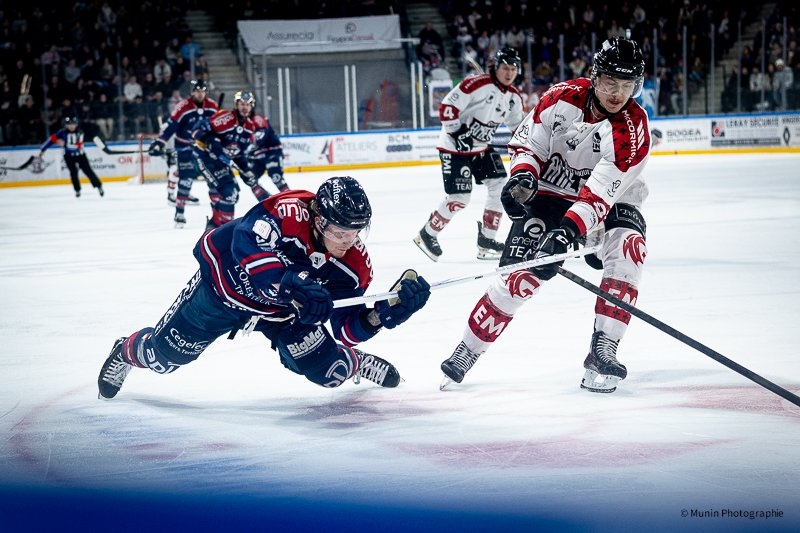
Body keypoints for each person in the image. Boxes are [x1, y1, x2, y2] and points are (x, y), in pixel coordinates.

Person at [438, 37, 651, 394]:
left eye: (627, 85)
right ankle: (466, 350)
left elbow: (599, 194)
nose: (618, 93)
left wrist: (568, 232)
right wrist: (522, 176)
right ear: (595, 77)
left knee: (629, 250)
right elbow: (529, 145)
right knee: (518, 279)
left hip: (611, 200)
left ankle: (604, 347)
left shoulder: (632, 129)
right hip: (552, 192)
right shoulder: (560, 97)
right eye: (611, 83)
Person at [97, 176, 431, 399]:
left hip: (283, 313)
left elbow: (346, 328)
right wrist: (291, 283)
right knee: (161, 359)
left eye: (357, 232)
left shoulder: (353, 266)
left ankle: (356, 364)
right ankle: (125, 350)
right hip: (224, 293)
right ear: (319, 220)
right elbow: (247, 241)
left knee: (332, 371)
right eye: (341, 232)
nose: (349, 241)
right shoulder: (289, 212)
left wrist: (383, 315)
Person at [413, 47, 526, 262]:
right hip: (453, 148)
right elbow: (447, 107)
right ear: (497, 68)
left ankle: (487, 241)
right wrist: (458, 132)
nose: (509, 73)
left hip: (480, 148)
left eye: (513, 69)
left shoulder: (513, 97)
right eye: (505, 68)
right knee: (459, 198)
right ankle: (427, 234)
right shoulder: (477, 84)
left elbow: (518, 127)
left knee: (500, 186)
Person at [148, 79, 219, 227]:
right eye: (197, 91)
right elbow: (170, 125)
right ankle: (179, 214)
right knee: (185, 181)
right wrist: (159, 142)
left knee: (213, 181)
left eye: (202, 91)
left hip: (203, 150)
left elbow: (217, 127)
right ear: (192, 92)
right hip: (185, 148)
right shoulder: (183, 107)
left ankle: (217, 215)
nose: (200, 94)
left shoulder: (212, 106)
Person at [192, 89, 258, 230]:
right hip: (205, 157)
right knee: (229, 193)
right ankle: (219, 228)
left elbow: (239, 156)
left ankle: (214, 226)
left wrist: (247, 172)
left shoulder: (250, 128)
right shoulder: (225, 118)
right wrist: (209, 140)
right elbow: (197, 130)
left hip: (221, 162)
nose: (245, 107)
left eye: (248, 104)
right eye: (241, 104)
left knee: (232, 195)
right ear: (236, 105)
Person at [38, 116, 104, 198]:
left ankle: (99, 186)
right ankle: (77, 190)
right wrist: (43, 150)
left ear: (76, 124)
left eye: (73, 124)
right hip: (68, 156)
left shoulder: (81, 131)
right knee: (73, 173)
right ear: (66, 125)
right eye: (69, 124)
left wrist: (64, 144)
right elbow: (51, 140)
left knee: (88, 171)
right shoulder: (62, 132)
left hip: (81, 155)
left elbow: (83, 143)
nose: (71, 126)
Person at [241, 113, 290, 201]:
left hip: (272, 151)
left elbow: (258, 139)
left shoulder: (257, 119)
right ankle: (265, 201)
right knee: (250, 179)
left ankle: (290, 197)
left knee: (275, 175)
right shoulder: (239, 124)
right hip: (257, 156)